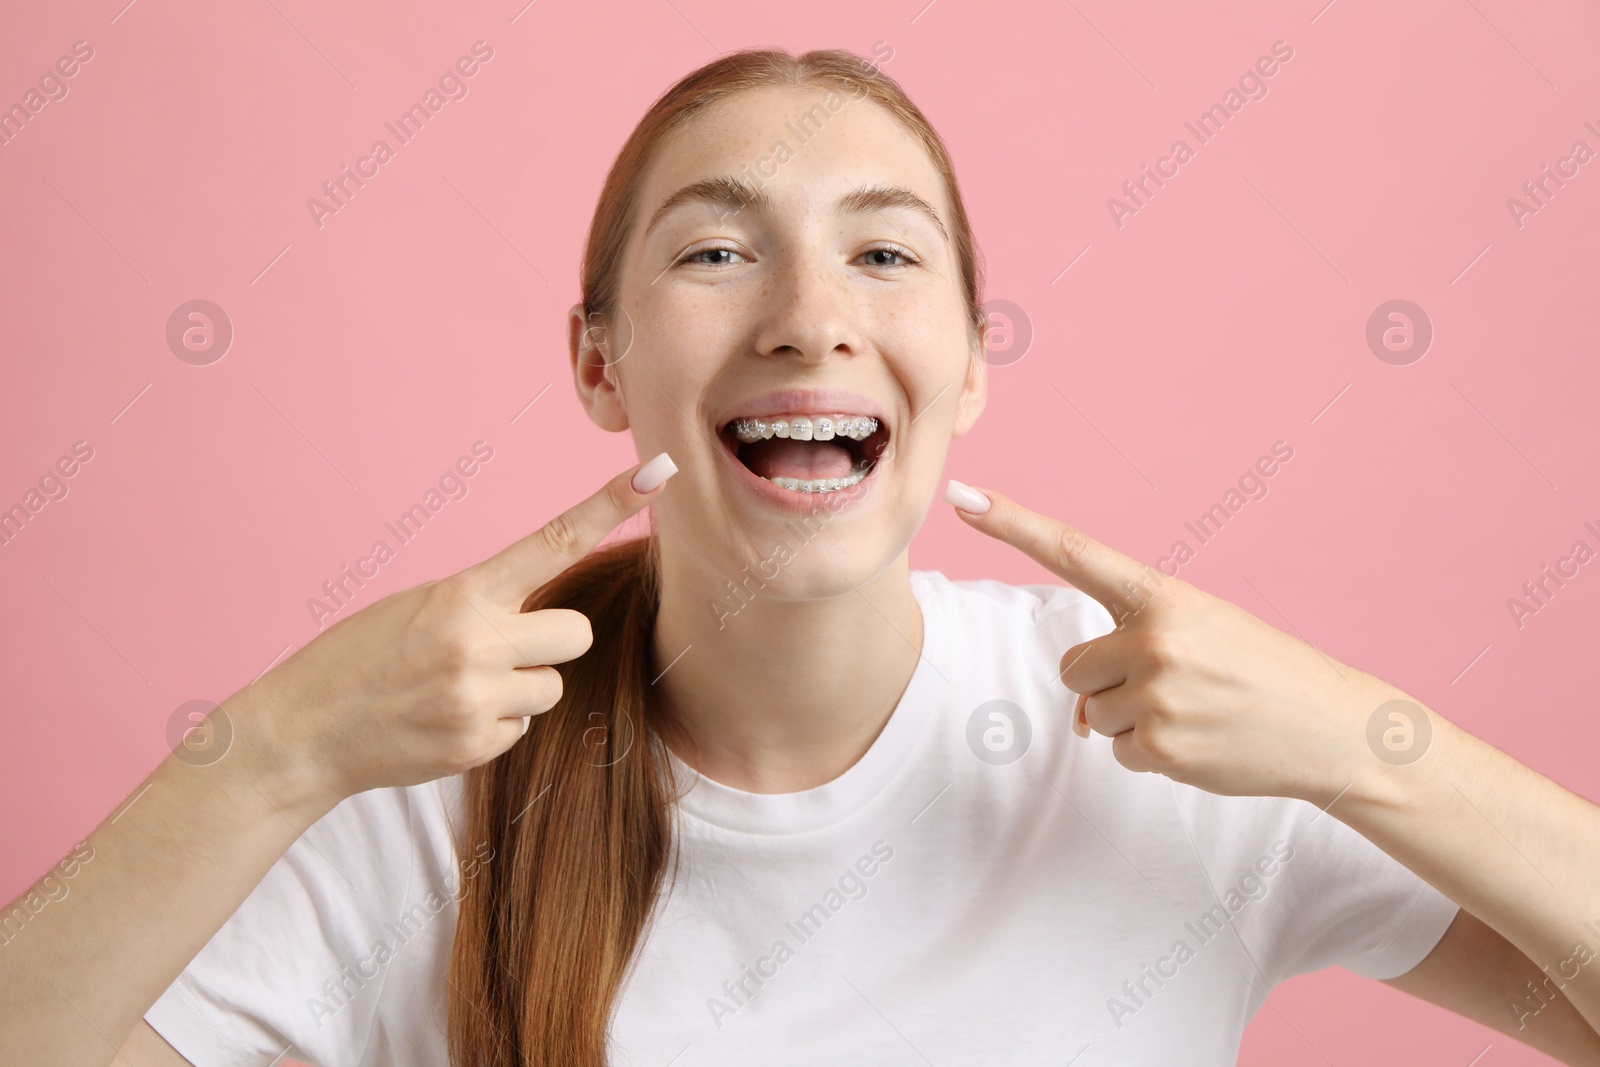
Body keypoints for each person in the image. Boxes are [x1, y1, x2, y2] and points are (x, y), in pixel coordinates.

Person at [4, 47, 1598, 1067]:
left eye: (884, 252)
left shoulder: (1163, 742)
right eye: (715, 250)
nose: (810, 315)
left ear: (968, 364)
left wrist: (1367, 746)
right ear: (600, 361)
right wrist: (268, 752)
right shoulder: (422, 775)